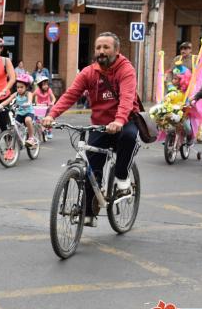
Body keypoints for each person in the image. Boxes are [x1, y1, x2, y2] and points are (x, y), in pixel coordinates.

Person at [42, 32, 141, 228]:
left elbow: (127, 98)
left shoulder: (126, 70)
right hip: (100, 125)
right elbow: (71, 94)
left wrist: (120, 120)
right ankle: (87, 213)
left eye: (106, 47)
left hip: (124, 120)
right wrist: (51, 115)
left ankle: (122, 177)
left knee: (129, 137)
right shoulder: (88, 72)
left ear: (116, 50)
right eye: (98, 48)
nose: (101, 51)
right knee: (91, 170)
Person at [0, 73, 37, 147]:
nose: (19, 89)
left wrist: (28, 103)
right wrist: (1, 105)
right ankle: (18, 140)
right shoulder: (16, 94)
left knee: (27, 120)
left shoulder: (28, 93)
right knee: (14, 126)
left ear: (26, 87)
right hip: (20, 114)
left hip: (28, 112)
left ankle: (31, 138)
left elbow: (30, 100)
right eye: (18, 87)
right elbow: (8, 100)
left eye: (21, 87)